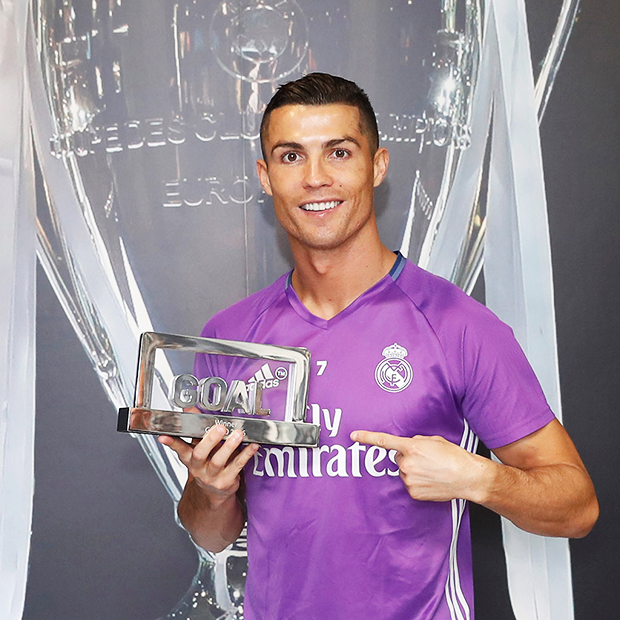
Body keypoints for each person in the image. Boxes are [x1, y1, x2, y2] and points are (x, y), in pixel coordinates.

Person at [159, 73, 598, 619]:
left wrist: (479, 478)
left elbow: (577, 506)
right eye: (291, 156)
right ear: (266, 177)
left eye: (339, 153)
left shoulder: (456, 326)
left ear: (377, 165)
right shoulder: (233, 337)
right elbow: (211, 533)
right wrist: (212, 491)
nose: (315, 178)